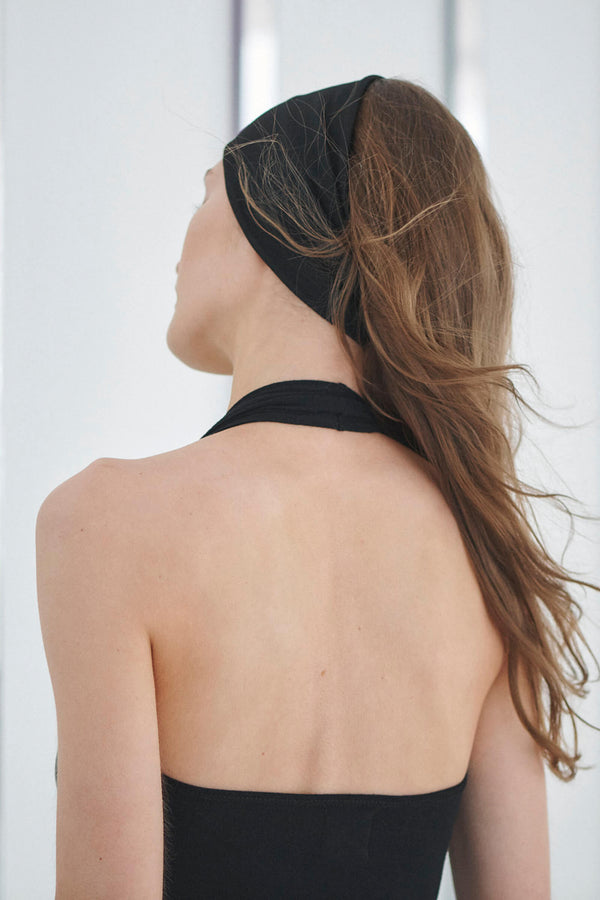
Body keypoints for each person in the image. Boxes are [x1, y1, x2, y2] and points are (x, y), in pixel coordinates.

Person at [37, 75, 600, 899]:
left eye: (205, 196)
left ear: (276, 224)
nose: (183, 237)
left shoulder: (104, 523)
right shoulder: (486, 548)